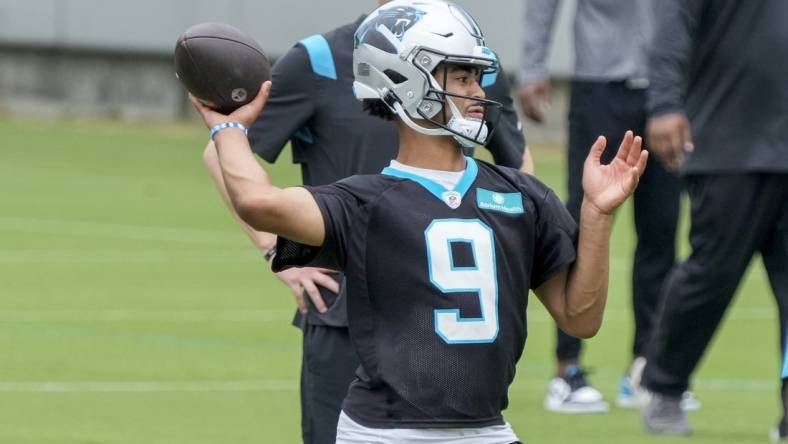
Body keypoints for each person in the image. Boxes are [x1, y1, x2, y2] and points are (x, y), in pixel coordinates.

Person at [191, 1, 647, 442]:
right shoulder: (362, 203)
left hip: (488, 429)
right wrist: (227, 127)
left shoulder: (521, 196)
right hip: (383, 433)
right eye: (463, 77)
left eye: (477, 77)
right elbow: (256, 200)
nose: (480, 92)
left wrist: (597, 214)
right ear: (408, 82)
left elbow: (580, 319)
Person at [518, 0, 684, 414]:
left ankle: (647, 369)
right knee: (579, 222)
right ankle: (567, 370)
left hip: (665, 90)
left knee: (662, 229)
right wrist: (533, 66)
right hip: (600, 87)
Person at [639, 0, 788, 437]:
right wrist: (664, 102)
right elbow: (673, 23)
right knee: (712, 273)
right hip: (728, 141)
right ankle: (663, 386)